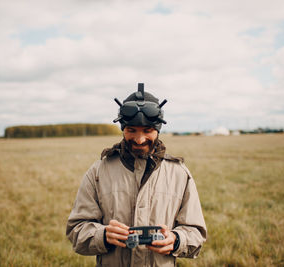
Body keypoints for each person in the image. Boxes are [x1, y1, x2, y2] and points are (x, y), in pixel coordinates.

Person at [66, 83, 207, 266]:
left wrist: (176, 240)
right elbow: (76, 231)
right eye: (131, 130)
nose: (139, 140)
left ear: (157, 129)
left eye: (147, 131)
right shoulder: (98, 172)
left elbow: (196, 233)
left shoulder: (180, 174)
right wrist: (103, 235)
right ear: (123, 128)